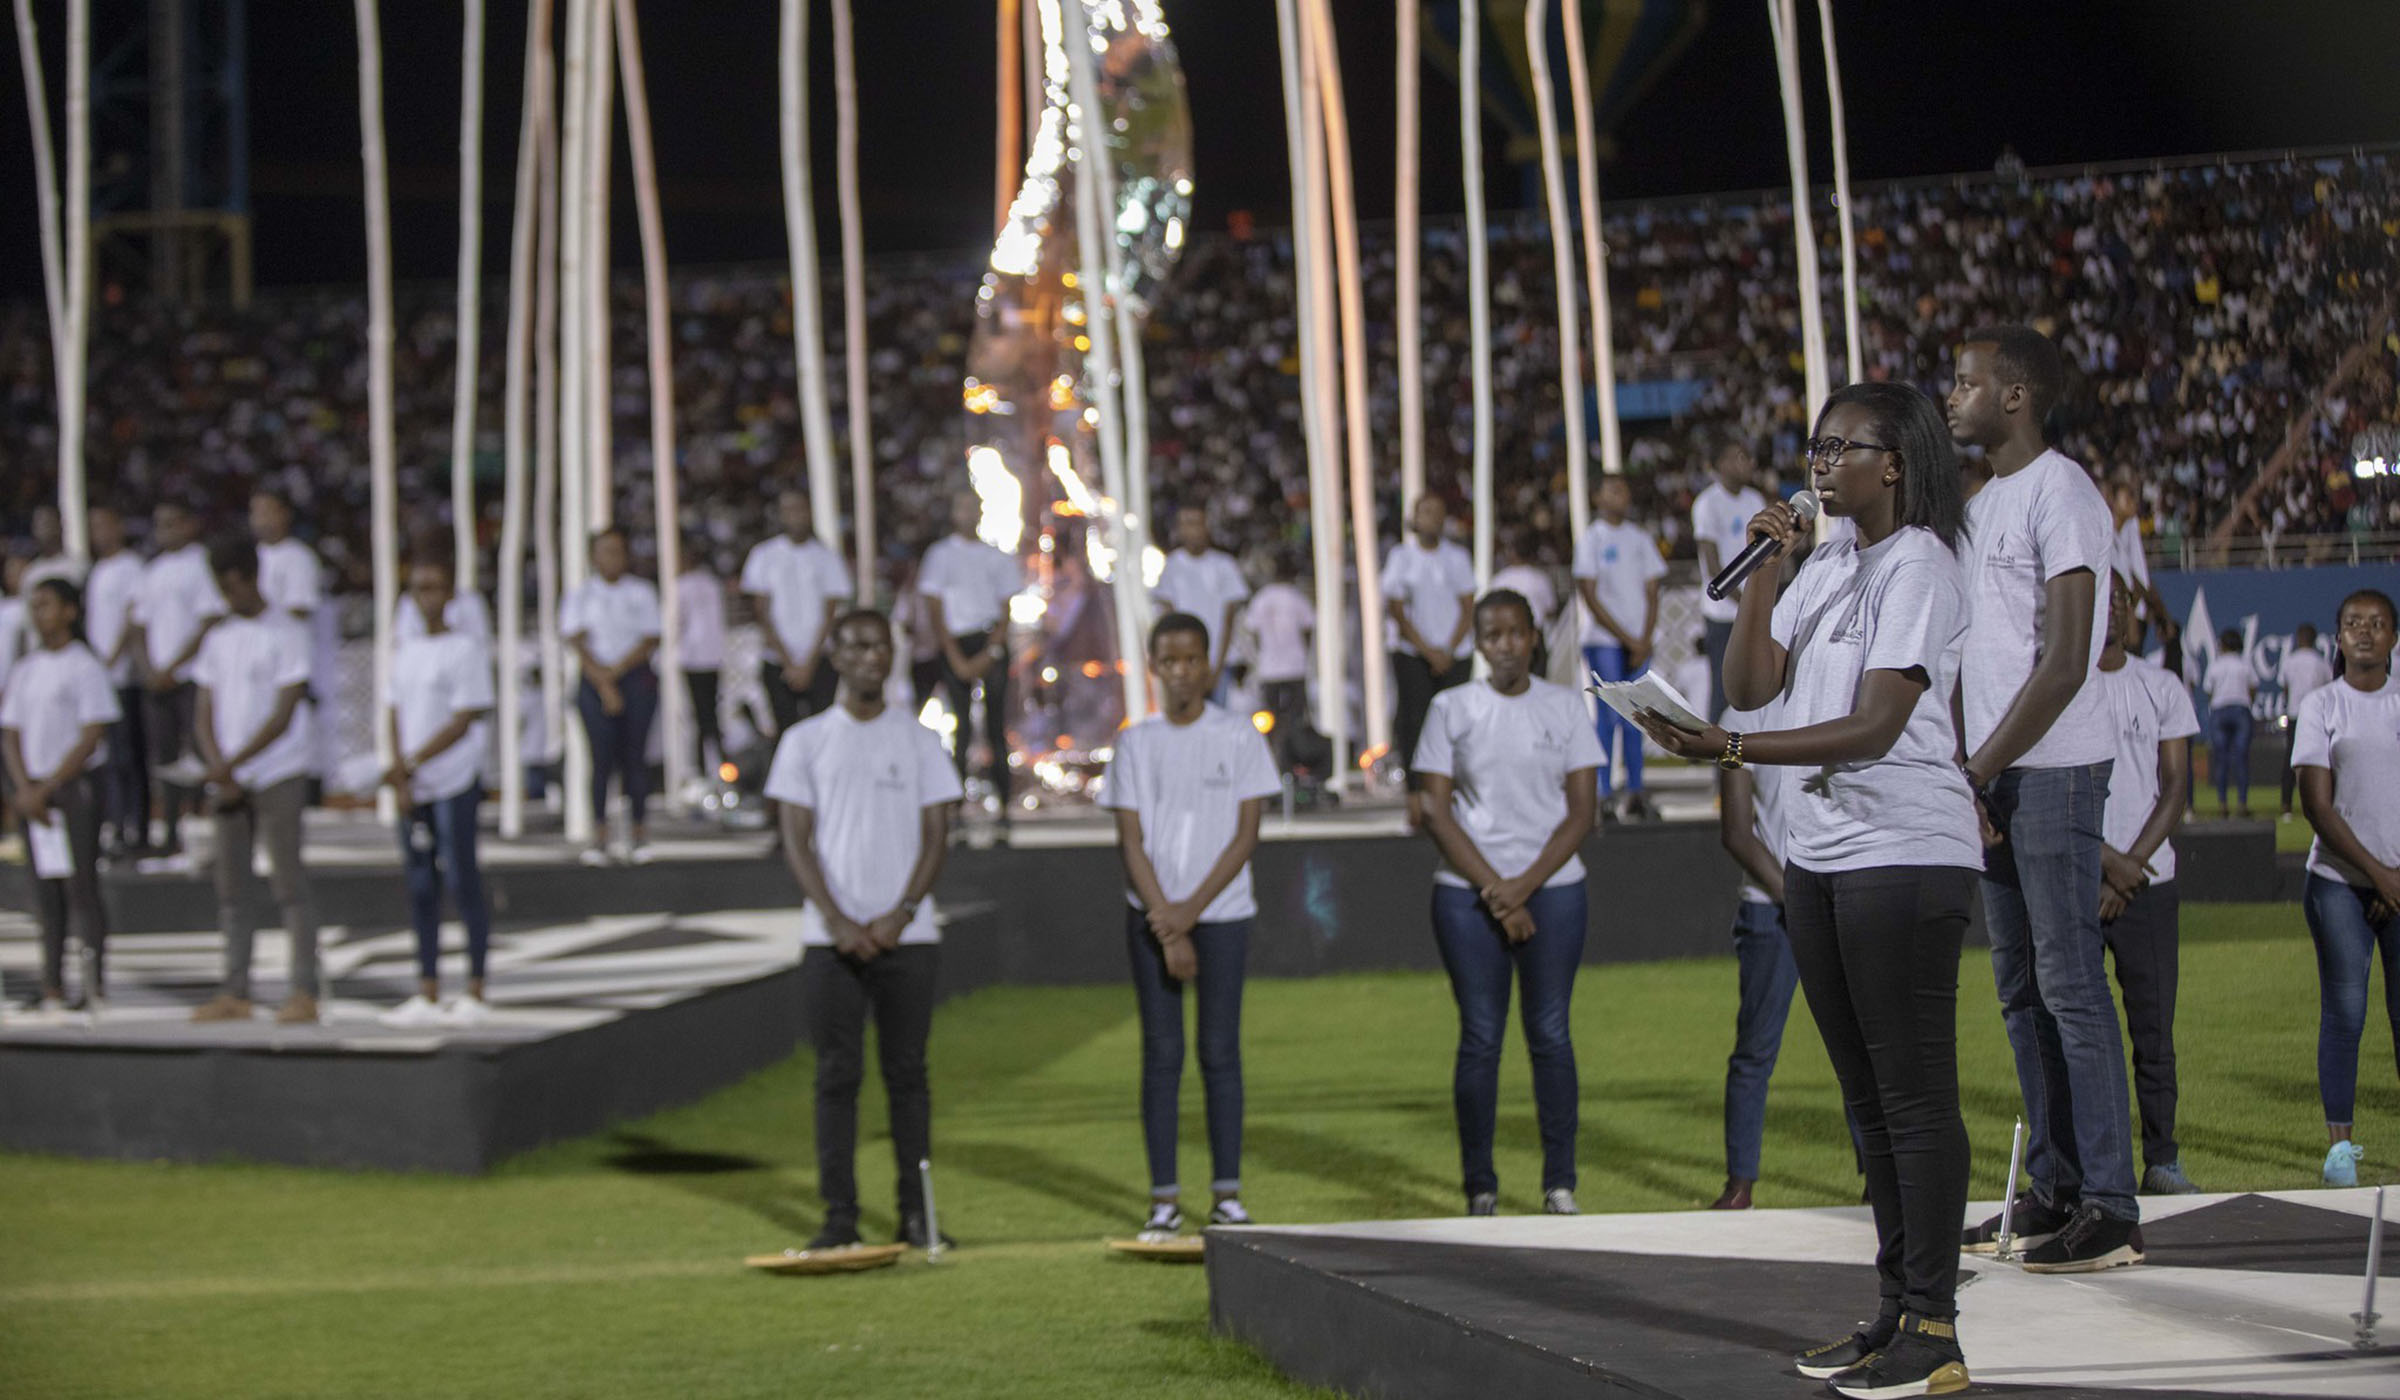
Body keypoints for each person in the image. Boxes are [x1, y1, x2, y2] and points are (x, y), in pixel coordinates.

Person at [1639, 382, 1979, 1397]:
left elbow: (1875, 724)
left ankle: (1935, 1319)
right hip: (1824, 853)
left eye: (1844, 447)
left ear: (1899, 464)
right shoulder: (1823, 557)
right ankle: (1892, 1309)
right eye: (1816, 445)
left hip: (1904, 848)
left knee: (1914, 1096)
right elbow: (1749, 683)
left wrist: (1732, 748)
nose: (1821, 462)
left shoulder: (1920, 563)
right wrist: (1763, 575)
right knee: (1868, 1100)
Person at [1948, 324, 2143, 1275]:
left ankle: (2111, 1205)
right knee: (2020, 992)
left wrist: (1979, 769)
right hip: (1994, 772)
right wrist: (1966, 765)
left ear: (2015, 395)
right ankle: (2056, 1188)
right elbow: (1968, 658)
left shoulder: (2063, 492)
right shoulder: (1982, 504)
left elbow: (2067, 660)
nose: (1953, 397)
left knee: (2070, 986)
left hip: (2054, 770)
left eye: (1966, 382)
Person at [765, 610, 962, 1252]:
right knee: (836, 1078)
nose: (869, 656)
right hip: (832, 941)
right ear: (835, 655)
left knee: (908, 1076)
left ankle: (918, 1217)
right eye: (855, 646)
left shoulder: (921, 740)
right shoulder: (805, 741)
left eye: (879, 645)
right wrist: (840, 919)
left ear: (893, 654)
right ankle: (839, 1218)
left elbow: (938, 836)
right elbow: (796, 839)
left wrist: (900, 914)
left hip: (911, 937)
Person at [1415, 589, 1600, 1218]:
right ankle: (1481, 1188)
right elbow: (1436, 812)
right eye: (1492, 635)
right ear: (1478, 643)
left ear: (1533, 637)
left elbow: (1582, 813)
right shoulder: (1450, 707)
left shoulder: (1565, 706)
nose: (1505, 646)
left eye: (1515, 633)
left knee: (1550, 1033)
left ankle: (1559, 1184)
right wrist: (1500, 893)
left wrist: (1522, 889)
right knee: (1482, 1038)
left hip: (1553, 891)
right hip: (1468, 895)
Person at [1103, 612, 1281, 1238]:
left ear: (1208, 665)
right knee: (1162, 1054)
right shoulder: (1135, 742)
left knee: (1219, 1050)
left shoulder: (1238, 736)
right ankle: (1164, 1199)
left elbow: (1246, 835)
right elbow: (1130, 841)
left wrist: (1188, 914)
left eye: (1191, 660)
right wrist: (1167, 923)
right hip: (1152, 916)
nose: (1181, 672)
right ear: (1153, 667)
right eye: (1169, 661)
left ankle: (1227, 1194)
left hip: (1221, 915)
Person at [2091, 573, 2202, 1196]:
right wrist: (2107, 862)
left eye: (2121, 600)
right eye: (2099, 598)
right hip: (2082, 880)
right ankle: (2089, 1169)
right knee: (2079, 1036)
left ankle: (2162, 1160)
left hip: (2148, 885)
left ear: (2133, 613)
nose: (2111, 610)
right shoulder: (2060, 688)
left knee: (2153, 1034)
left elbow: (2176, 787)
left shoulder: (2161, 686)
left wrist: (2128, 866)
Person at [2292, 589, 2400, 1188]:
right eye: (2354, 623)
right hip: (2338, 882)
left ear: (2393, 638)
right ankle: (2340, 1151)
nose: (2365, 631)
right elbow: (2316, 803)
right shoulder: (2322, 704)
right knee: (2346, 1012)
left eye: (2377, 623)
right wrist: (2378, 873)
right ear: (2337, 637)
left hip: (2398, 880)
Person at [189, 539, 320, 1025]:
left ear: (251, 577)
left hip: (276, 770)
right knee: (231, 888)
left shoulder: (286, 631)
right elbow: (203, 706)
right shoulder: (219, 638)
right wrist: (216, 761)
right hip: (228, 778)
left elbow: (284, 712)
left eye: (233, 585)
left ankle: (303, 988)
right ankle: (235, 987)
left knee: (288, 882)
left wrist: (235, 761)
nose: (229, 596)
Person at [380, 558, 498, 1028]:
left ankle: (476, 983)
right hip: (417, 784)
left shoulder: (464, 650)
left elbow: (465, 716)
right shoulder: (406, 651)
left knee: (462, 878)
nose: (426, 596)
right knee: (420, 883)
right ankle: (427, 985)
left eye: (435, 587)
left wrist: (412, 763)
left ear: (449, 595)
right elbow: (393, 710)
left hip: (454, 777)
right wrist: (401, 773)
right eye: (418, 589)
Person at [0, 578, 120, 1010]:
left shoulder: (84, 665)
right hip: (33, 791)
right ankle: (51, 981)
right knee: (44, 891)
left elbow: (90, 734)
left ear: (69, 611)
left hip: (73, 788)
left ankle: (93, 981)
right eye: (34, 606)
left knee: (80, 887)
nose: (38, 614)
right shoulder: (26, 668)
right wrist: (23, 788)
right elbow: (10, 731)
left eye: (47, 605)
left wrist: (49, 785)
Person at [1709, 695, 1798, 1212]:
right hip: (1771, 907)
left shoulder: (1845, 692)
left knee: (1857, 1050)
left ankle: (1875, 1179)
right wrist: (1793, 895)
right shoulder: (1741, 718)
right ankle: (1740, 1184)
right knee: (1755, 1051)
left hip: (1844, 899)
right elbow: (1737, 832)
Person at [127, 502, 224, 866]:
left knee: (201, 752)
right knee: (164, 758)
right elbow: (137, 626)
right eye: (159, 524)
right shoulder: (152, 571)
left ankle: (204, 827)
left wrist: (173, 667)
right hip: (158, 680)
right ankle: (168, 831)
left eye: (171, 523)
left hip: (192, 676)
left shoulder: (200, 564)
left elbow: (208, 619)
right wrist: (150, 670)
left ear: (189, 525)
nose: (163, 531)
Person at [561, 527, 662, 867]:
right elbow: (575, 639)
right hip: (595, 679)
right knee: (600, 761)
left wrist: (615, 674)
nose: (612, 558)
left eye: (617, 551)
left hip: (634, 679)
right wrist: (603, 682)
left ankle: (637, 832)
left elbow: (650, 638)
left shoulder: (641, 592)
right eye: (605, 551)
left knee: (634, 758)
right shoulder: (582, 595)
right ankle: (600, 836)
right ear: (593, 556)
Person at [918, 491, 1021, 807]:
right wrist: (955, 658)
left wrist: (991, 652)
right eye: (960, 506)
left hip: (989, 641)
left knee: (996, 727)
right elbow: (934, 610)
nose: (967, 512)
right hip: (956, 643)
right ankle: (955, 803)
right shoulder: (939, 556)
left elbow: (1006, 609)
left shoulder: (997, 556)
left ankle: (1004, 801)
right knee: (960, 729)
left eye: (971, 506)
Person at [1574, 476, 1667, 820]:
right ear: (1597, 496)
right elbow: (1589, 592)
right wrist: (1628, 639)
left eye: (1624, 489)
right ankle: (1603, 792)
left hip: (1638, 642)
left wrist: (1643, 637)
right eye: (1613, 490)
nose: (1621, 496)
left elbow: (1654, 590)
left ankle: (1636, 789)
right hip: (1604, 642)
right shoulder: (1592, 539)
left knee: (1638, 719)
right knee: (1609, 717)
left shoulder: (1639, 538)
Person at [1381, 495, 1475, 807]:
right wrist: (1427, 651)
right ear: (1414, 518)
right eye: (1424, 512)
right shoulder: (1401, 557)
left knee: (1455, 724)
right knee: (1415, 723)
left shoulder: (1457, 557)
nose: (1430, 518)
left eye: (1436, 512)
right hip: (1412, 654)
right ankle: (1417, 794)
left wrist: (1446, 649)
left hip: (1455, 653)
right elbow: (1396, 609)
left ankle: (1453, 790)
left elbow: (1467, 606)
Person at [741, 489, 853, 735]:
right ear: (781, 515)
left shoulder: (826, 557)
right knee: (786, 735)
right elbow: (762, 613)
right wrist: (789, 663)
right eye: (789, 510)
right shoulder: (764, 555)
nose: (796, 516)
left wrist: (808, 664)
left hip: (819, 661)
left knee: (822, 732)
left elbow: (831, 615)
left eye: (800, 509)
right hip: (777, 661)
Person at [81, 505, 146, 856]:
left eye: (105, 524)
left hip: (121, 677)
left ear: (119, 526)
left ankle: (134, 826)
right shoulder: (97, 570)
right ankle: (115, 824)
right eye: (93, 527)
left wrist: (112, 659)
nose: (99, 533)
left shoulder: (130, 567)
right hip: (100, 677)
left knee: (127, 757)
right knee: (108, 757)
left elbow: (134, 616)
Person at [1691, 439, 1768, 720]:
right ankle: (1719, 761)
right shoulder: (1707, 503)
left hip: (1752, 609)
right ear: (1721, 464)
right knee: (1723, 688)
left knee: (1756, 685)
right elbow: (1713, 566)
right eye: (1741, 457)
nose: (1750, 463)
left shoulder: (1755, 500)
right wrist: (1746, 600)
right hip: (1722, 613)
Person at [1152, 504, 1249, 691]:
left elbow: (1229, 621)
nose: (1193, 530)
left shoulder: (1224, 565)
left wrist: (1216, 668)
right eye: (1187, 524)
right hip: (1184, 669)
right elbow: (1169, 620)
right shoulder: (1171, 567)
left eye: (1197, 523)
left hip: (1221, 664)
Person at [1243, 553, 1315, 775]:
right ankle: (1290, 764)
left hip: (1270, 670)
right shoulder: (1297, 598)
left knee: (1269, 721)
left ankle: (1274, 763)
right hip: (1295, 668)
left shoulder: (1261, 598)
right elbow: (1308, 630)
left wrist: (1261, 654)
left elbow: (1251, 631)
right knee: (1295, 720)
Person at [676, 542, 728, 778]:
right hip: (714, 656)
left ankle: (702, 768)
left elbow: (677, 622)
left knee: (700, 716)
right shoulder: (712, 583)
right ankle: (717, 764)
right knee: (710, 714)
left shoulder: (681, 586)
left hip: (693, 658)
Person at [2277, 623, 2334, 821]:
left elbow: (2284, 687)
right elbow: (2329, 690)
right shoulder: (2321, 662)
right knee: (2320, 759)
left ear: (2299, 639)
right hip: (2317, 717)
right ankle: (2320, 804)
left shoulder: (2290, 661)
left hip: (2295, 714)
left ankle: (2286, 805)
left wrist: (2288, 704)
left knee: (2291, 760)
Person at [1489, 529, 1559, 679]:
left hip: (1510, 637)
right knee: (1536, 682)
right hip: (1533, 636)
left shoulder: (1500, 579)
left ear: (1512, 552)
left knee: (1511, 682)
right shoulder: (1540, 578)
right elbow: (1551, 609)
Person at [2201, 628, 2256, 819]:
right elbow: (2253, 688)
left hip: (2219, 710)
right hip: (2241, 709)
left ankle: (2222, 804)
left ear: (2223, 645)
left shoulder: (2215, 665)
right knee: (2241, 760)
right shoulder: (2244, 664)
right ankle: (2242, 803)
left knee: (2221, 760)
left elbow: (2208, 689)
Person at [250, 489, 321, 621]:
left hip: (286, 637)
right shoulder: (249, 555)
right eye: (256, 512)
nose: (261, 519)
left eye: (267, 512)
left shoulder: (300, 557)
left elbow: (299, 611)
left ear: (285, 514)